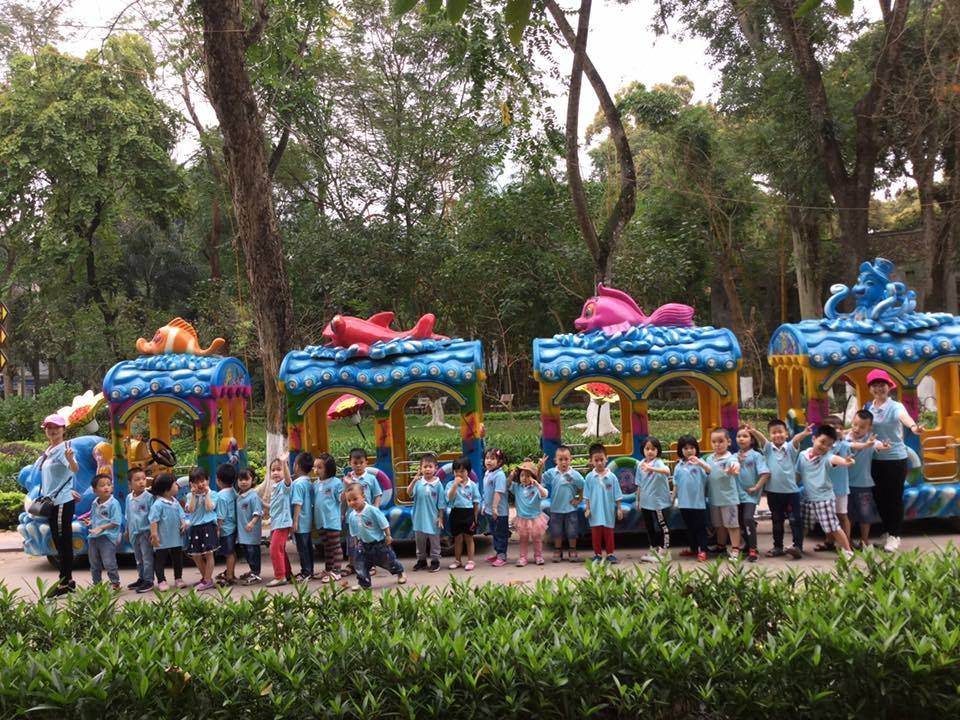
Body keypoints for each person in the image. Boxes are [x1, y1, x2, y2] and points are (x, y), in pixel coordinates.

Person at [864, 369, 924, 552]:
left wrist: (913, 427)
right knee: (879, 498)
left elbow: (904, 418)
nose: (879, 388)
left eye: (882, 385)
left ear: (889, 387)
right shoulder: (868, 408)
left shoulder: (896, 406)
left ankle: (895, 535)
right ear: (870, 388)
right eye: (875, 385)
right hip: (875, 458)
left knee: (894, 499)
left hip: (895, 459)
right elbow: (861, 427)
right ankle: (888, 531)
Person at [746, 420, 805, 559]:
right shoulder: (768, 449)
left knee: (795, 520)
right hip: (773, 492)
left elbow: (796, 440)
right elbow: (762, 439)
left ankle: (797, 547)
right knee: (777, 520)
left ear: (786, 434)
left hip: (791, 492)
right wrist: (753, 431)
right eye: (774, 433)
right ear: (770, 435)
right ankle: (778, 546)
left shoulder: (790, 448)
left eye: (780, 432)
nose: (777, 435)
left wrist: (804, 433)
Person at [37, 414, 80, 597]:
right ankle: (67, 581)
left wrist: (70, 460)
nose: (52, 430)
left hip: (62, 502)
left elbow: (74, 468)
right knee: (59, 542)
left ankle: (64, 583)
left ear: (63, 430)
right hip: (54, 502)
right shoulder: (49, 450)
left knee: (63, 543)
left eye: (56, 427)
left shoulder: (64, 449)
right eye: (49, 427)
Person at [797, 424, 856, 558]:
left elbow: (836, 459)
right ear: (814, 439)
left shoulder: (827, 457)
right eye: (822, 442)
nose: (824, 446)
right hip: (807, 497)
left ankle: (848, 551)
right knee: (804, 525)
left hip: (824, 498)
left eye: (829, 445)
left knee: (833, 527)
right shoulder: (802, 455)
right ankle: (797, 546)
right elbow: (798, 474)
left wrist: (846, 461)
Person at [344, 484, 406, 591]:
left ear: (363, 497)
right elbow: (354, 532)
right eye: (349, 500)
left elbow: (384, 523)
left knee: (388, 561)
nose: (352, 502)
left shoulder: (372, 510)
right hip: (363, 545)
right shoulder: (351, 515)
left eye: (355, 499)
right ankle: (364, 583)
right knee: (360, 564)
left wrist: (388, 535)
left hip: (379, 543)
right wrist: (356, 543)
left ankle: (400, 572)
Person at [846, 410, 889, 549]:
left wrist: (884, 446)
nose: (857, 429)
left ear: (869, 428)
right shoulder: (845, 439)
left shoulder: (871, 440)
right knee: (848, 515)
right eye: (855, 424)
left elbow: (878, 445)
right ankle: (847, 541)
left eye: (862, 427)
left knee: (866, 515)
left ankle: (864, 541)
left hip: (864, 484)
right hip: (845, 485)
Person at [541, 445, 584, 563]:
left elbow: (582, 486)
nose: (563, 462)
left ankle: (572, 549)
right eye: (560, 459)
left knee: (572, 531)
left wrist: (579, 499)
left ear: (571, 460)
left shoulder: (575, 474)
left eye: (566, 459)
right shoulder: (552, 473)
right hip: (556, 509)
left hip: (570, 509)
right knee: (557, 531)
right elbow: (541, 480)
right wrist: (540, 467)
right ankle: (558, 549)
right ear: (556, 460)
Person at [816, 416, 853, 552]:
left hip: (841, 487)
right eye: (833, 428)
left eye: (840, 428)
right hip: (824, 488)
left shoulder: (844, 445)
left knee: (842, 515)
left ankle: (846, 544)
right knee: (827, 516)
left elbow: (850, 453)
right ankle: (829, 541)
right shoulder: (821, 446)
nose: (837, 431)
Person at [705, 428, 742, 560]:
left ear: (729, 442)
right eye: (714, 441)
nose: (717, 444)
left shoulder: (731, 458)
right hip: (714, 498)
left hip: (728, 499)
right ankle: (721, 547)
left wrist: (734, 470)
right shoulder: (709, 458)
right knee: (719, 525)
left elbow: (735, 466)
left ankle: (735, 549)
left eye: (721, 441)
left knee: (732, 525)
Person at [583, 443, 623, 564]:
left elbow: (617, 494)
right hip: (595, 511)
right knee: (596, 534)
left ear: (606, 459)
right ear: (591, 461)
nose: (599, 463)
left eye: (601, 459)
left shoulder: (612, 477)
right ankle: (597, 554)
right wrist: (587, 509)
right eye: (596, 460)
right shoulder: (589, 477)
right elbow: (586, 495)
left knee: (609, 533)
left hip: (608, 510)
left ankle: (610, 554)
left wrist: (619, 508)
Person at [672, 435, 711, 561]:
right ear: (680, 450)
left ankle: (703, 550)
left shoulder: (700, 463)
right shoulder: (678, 466)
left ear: (696, 449)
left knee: (700, 527)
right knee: (689, 528)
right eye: (685, 448)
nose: (689, 450)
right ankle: (693, 548)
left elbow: (709, 470)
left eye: (692, 448)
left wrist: (699, 462)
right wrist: (672, 498)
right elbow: (675, 484)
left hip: (698, 503)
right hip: (684, 503)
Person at [734, 426, 769, 563]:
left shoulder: (756, 456)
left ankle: (753, 549)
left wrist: (756, 487)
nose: (741, 439)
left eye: (745, 436)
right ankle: (747, 546)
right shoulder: (733, 457)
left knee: (748, 518)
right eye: (738, 436)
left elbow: (765, 474)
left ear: (752, 440)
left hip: (750, 495)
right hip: (736, 494)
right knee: (740, 521)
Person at [406, 452, 446, 573]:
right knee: (420, 541)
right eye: (425, 467)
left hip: (433, 519)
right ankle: (421, 560)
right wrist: (414, 481)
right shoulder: (418, 483)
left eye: (430, 467)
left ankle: (435, 561)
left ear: (435, 468)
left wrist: (440, 518)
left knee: (434, 541)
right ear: (421, 468)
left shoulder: (438, 484)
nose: (427, 469)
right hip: (419, 518)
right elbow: (409, 492)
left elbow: (441, 504)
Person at [636, 437, 672, 563]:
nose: (650, 451)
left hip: (658, 503)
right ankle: (654, 548)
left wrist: (651, 468)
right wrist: (638, 501)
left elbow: (667, 471)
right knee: (649, 526)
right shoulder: (640, 465)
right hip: (646, 502)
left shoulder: (658, 462)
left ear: (658, 451)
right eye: (647, 449)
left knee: (663, 526)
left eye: (653, 449)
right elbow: (639, 484)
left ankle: (665, 552)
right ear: (643, 450)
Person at [148, 473, 188, 591]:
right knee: (160, 560)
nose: (177, 486)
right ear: (166, 489)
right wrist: (154, 535)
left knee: (178, 558)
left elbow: (181, 514)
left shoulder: (175, 501)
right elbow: (153, 520)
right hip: (162, 538)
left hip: (176, 536)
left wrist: (183, 523)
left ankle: (178, 578)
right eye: (175, 484)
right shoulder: (158, 504)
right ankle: (161, 580)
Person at [184, 466, 219, 591]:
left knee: (209, 554)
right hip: (195, 527)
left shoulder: (213, 494)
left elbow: (209, 508)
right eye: (196, 482)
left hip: (208, 526)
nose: (200, 484)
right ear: (191, 483)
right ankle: (206, 579)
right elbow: (191, 509)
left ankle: (207, 580)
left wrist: (206, 494)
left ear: (207, 480)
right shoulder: (189, 496)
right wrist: (194, 495)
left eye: (202, 481)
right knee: (196, 555)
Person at [86, 473, 122, 590]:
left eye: (109, 484)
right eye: (102, 485)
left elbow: (116, 522)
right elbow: (94, 517)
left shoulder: (114, 503)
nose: (106, 487)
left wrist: (101, 528)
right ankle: (97, 585)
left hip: (107, 537)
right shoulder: (94, 503)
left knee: (109, 562)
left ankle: (115, 583)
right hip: (93, 537)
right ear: (94, 490)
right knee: (94, 563)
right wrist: (90, 522)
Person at [510, 460, 549, 567]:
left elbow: (545, 494)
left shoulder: (536, 488)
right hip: (522, 519)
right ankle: (523, 557)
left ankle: (538, 556)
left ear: (533, 477)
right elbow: (507, 484)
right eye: (522, 475)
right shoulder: (517, 487)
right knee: (523, 540)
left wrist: (537, 484)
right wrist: (511, 475)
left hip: (535, 518)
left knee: (537, 539)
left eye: (528, 476)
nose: (524, 478)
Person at [312, 453, 343, 582]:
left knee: (335, 546)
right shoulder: (315, 483)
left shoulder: (336, 482)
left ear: (328, 469)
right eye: (315, 467)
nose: (316, 470)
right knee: (327, 547)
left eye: (319, 467)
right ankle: (328, 569)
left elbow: (341, 498)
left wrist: (347, 487)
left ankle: (337, 571)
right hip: (320, 521)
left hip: (332, 520)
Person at [445, 456, 480, 571]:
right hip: (456, 512)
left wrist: (475, 517)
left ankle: (470, 560)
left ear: (468, 471)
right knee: (458, 538)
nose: (459, 474)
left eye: (462, 471)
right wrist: (455, 484)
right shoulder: (450, 484)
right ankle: (457, 560)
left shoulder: (472, 485)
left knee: (469, 538)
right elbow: (449, 498)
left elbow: (476, 501)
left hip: (469, 513)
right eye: (456, 471)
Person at [124, 468, 155, 592]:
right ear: (130, 483)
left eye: (143, 479)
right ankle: (141, 578)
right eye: (137, 480)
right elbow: (128, 515)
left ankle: (148, 580)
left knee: (147, 558)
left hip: (145, 532)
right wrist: (127, 531)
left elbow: (153, 516)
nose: (141, 482)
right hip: (133, 533)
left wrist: (153, 532)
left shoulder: (149, 497)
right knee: (138, 558)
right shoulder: (128, 498)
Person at [265, 457, 294, 587]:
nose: (275, 472)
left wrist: (284, 464)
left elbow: (288, 480)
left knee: (274, 549)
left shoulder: (283, 485)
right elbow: (274, 506)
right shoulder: (274, 487)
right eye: (273, 470)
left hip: (283, 522)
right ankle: (287, 574)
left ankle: (280, 576)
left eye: (279, 469)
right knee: (280, 549)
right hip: (276, 523)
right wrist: (262, 504)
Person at [481, 448, 510, 566]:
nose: (489, 461)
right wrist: (484, 505)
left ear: (499, 462)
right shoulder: (488, 473)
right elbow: (486, 492)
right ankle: (497, 553)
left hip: (499, 512)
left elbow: (498, 492)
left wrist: (494, 508)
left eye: (492, 459)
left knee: (501, 533)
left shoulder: (499, 475)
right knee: (494, 533)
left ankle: (502, 555)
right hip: (489, 511)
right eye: (487, 458)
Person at [236, 468, 264, 585]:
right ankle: (253, 571)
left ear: (253, 480)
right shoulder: (239, 496)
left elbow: (258, 512)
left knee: (253, 552)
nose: (243, 482)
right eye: (241, 479)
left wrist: (252, 523)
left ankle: (256, 573)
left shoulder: (253, 496)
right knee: (247, 552)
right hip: (243, 532)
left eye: (246, 479)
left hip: (251, 532)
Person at [290, 452, 315, 581]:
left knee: (302, 548)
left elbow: (297, 503)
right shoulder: (308, 482)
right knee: (308, 546)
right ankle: (310, 570)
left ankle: (306, 572)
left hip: (300, 521)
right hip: (308, 520)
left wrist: (295, 521)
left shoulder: (297, 484)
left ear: (297, 466)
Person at [214, 463, 239, 585]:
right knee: (232, 551)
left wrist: (217, 529)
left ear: (218, 480)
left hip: (225, 529)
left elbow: (221, 516)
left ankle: (229, 576)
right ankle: (231, 573)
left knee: (228, 553)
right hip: (233, 527)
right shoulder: (234, 492)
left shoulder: (220, 496)